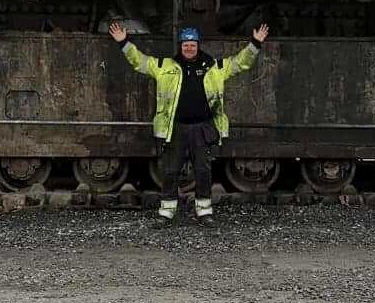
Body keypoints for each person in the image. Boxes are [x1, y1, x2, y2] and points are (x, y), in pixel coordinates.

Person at [109, 19, 268, 224]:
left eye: (192, 44)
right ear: (181, 46)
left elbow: (240, 63)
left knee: (203, 171)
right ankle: (166, 212)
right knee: (170, 171)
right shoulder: (164, 66)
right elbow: (140, 61)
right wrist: (124, 42)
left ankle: (204, 211)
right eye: (186, 44)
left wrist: (255, 43)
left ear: (198, 45)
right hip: (175, 128)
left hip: (203, 128)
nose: (189, 48)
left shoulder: (214, 67)